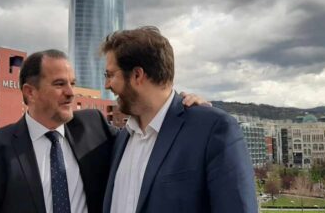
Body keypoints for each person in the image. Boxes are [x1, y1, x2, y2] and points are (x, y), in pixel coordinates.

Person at [0, 49, 208, 213]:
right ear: (30, 92)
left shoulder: (94, 126)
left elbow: (146, 136)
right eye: (60, 84)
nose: (71, 92)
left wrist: (182, 108)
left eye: (73, 83)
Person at [101, 26, 258, 213]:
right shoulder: (120, 139)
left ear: (137, 75)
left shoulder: (212, 130)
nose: (107, 85)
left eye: (110, 75)